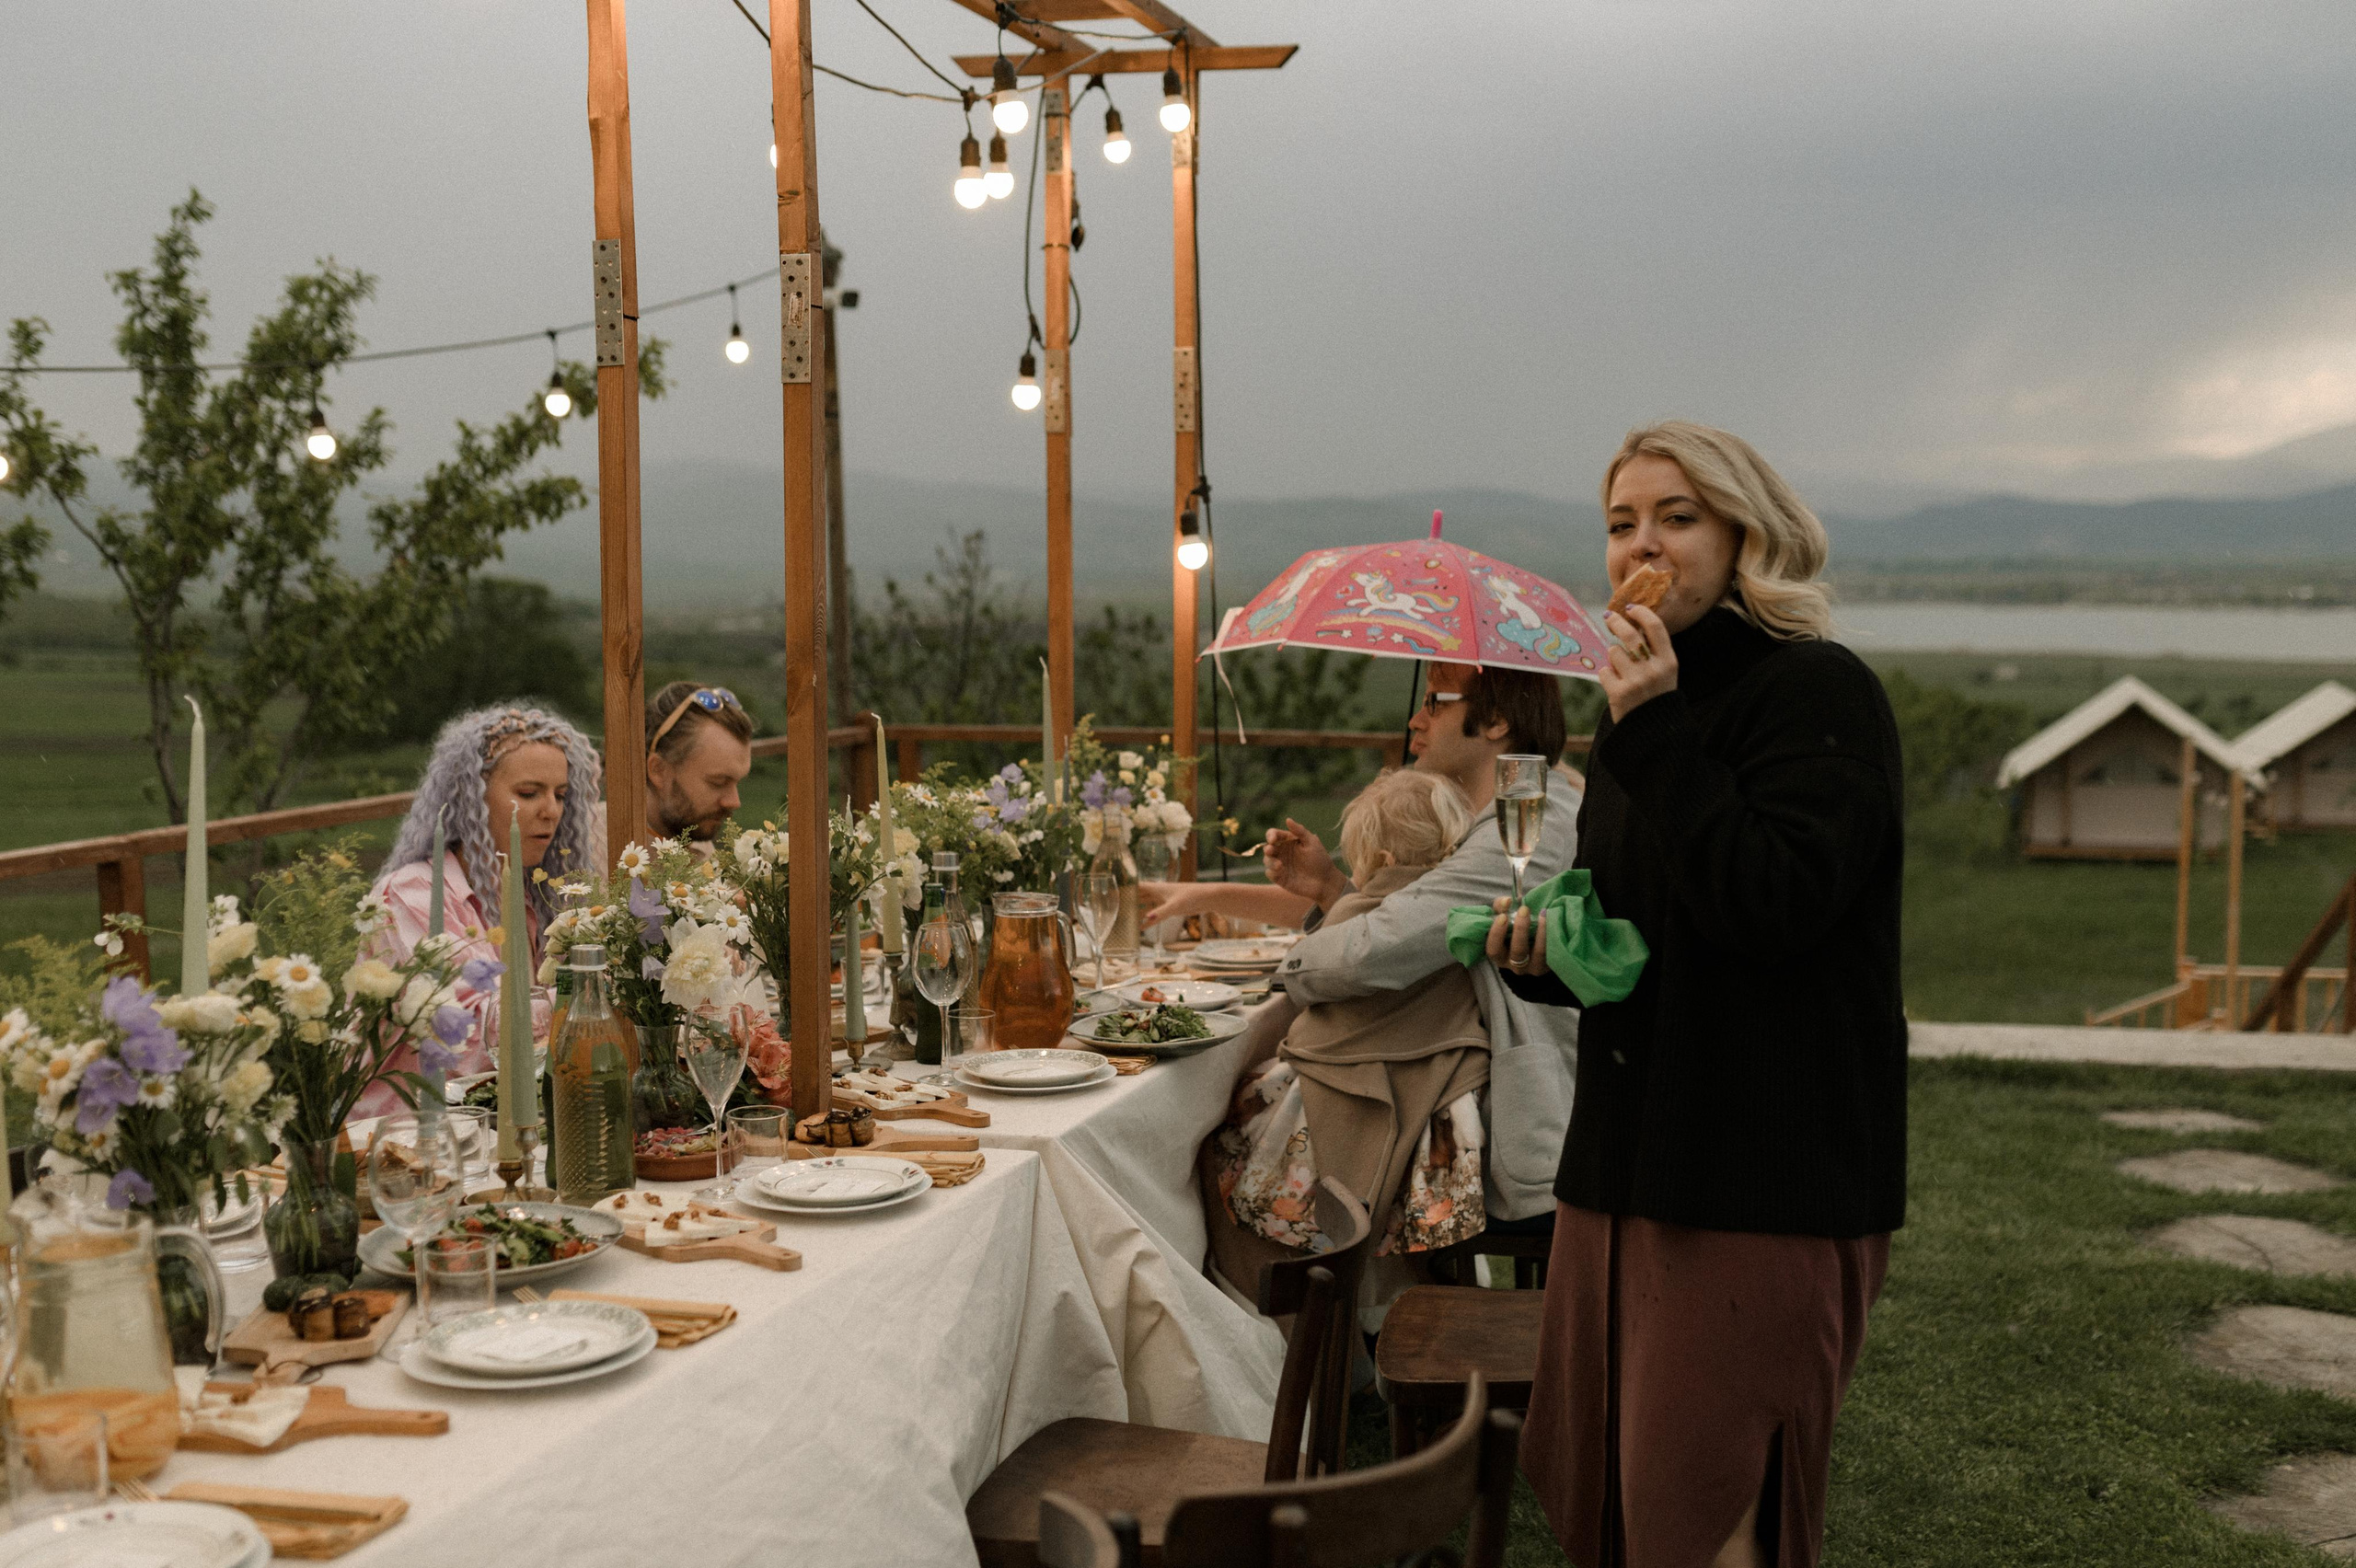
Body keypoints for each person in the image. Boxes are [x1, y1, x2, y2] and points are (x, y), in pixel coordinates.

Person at [1484, 421, 1905, 1568]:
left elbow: (1774, 906)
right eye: (1620, 524)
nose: (1640, 547)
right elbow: (1648, 939)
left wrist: (1658, 727)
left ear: (1743, 534)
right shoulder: (1636, 716)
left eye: (1675, 517)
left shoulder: (1815, 693)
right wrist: (1551, 955)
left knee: (1711, 1511)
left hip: (1757, 1174)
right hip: (1623, 1165)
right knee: (1609, 1504)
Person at [1158, 660, 1585, 1235]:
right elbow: (1418, 925)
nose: (1415, 718)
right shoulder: (1513, 802)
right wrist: (1333, 891)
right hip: (1458, 1088)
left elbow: (1379, 951)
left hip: (1516, 1123)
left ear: (1497, 722)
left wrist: (1287, 972)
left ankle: (1301, 1299)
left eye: (1436, 701)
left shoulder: (1529, 822)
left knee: (1206, 1141)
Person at [1207, 769, 1491, 1284]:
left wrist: (1341, 901)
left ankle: (1262, 1306)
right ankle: (1405, 1311)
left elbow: (1317, 973)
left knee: (1218, 1135)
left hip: (1338, 1097)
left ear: (1381, 863)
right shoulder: (1456, 912)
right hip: (1441, 1108)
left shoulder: (1361, 921)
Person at [355, 705, 604, 1120]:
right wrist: (597, 994)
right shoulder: (411, 894)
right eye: (529, 793)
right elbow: (471, 1039)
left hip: (492, 1127)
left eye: (560, 795)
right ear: (470, 797)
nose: (551, 810)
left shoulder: (535, 900)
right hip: (401, 1135)